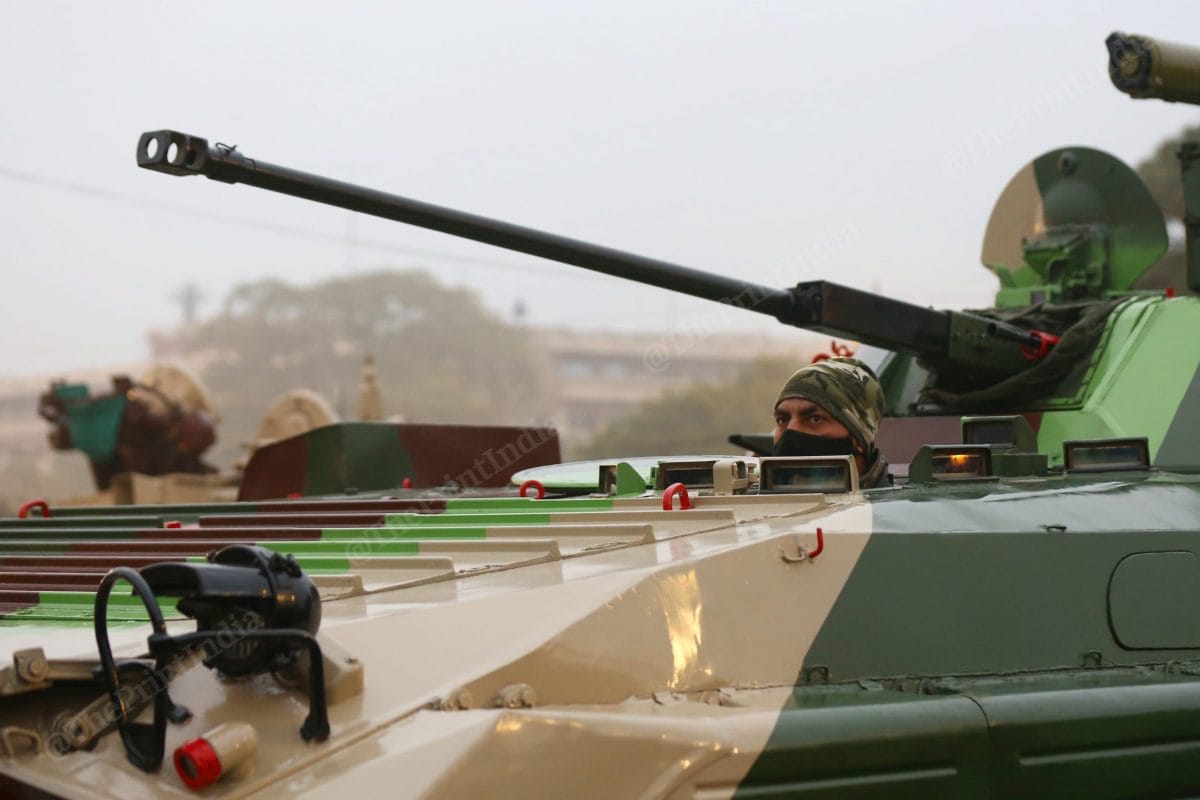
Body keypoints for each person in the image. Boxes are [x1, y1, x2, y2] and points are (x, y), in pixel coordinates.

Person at [772, 357, 890, 488]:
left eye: (815, 419)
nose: (791, 430)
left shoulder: (893, 507)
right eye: (782, 420)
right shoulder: (760, 503)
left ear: (859, 437)